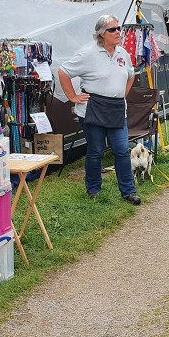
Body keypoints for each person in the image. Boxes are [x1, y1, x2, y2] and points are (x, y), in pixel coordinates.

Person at [58, 15, 141, 205]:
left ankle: (128, 192)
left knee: (121, 150)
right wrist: (72, 96)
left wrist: (121, 95)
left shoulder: (123, 54)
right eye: (113, 29)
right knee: (96, 151)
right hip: (93, 108)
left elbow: (130, 75)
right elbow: (63, 72)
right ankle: (93, 190)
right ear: (102, 34)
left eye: (118, 28)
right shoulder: (88, 53)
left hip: (116, 108)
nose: (118, 32)